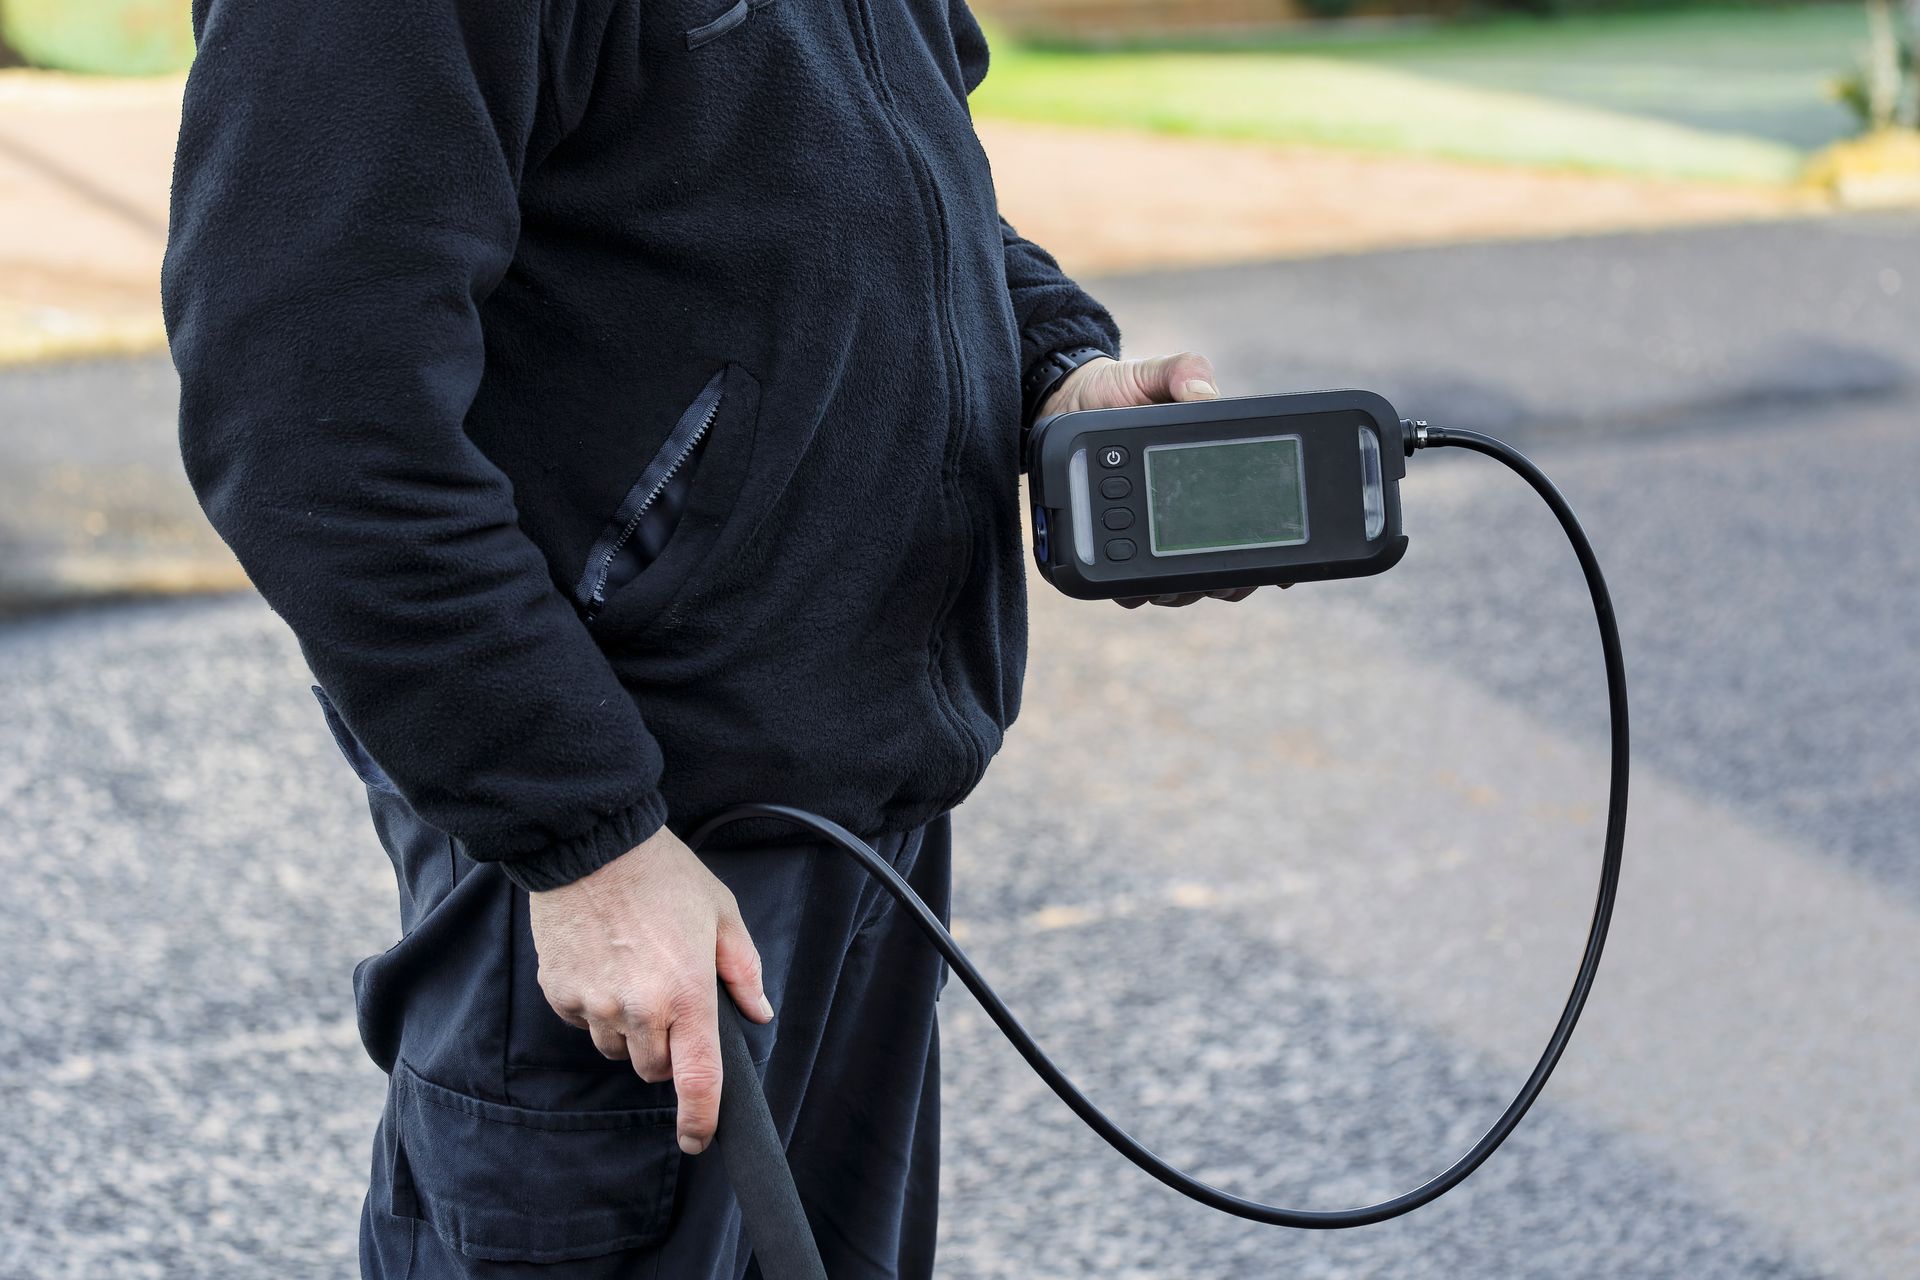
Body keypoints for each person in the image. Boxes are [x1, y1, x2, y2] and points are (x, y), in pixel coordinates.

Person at [163, 0, 1236, 1274]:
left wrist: (1056, 369)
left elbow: (890, 182)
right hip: (636, 864)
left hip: (867, 825)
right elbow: (306, 414)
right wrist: (588, 843)